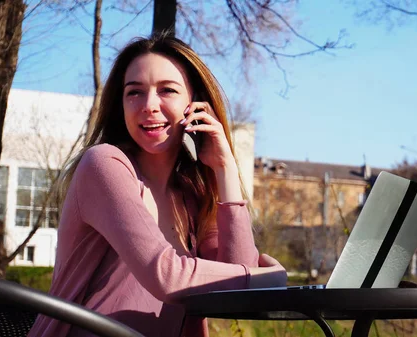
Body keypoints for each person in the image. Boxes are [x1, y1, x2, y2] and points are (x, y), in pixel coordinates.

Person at [28, 34, 287, 337]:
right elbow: (166, 274)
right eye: (134, 92)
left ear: (195, 104)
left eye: (167, 90)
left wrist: (225, 167)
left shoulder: (191, 192)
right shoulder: (104, 165)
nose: (149, 105)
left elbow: (236, 291)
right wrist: (267, 278)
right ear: (120, 105)